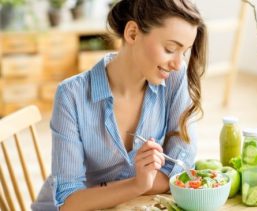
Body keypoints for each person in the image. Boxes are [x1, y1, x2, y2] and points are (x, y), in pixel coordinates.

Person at [31, 0, 207, 210]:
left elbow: (180, 169)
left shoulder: (174, 78)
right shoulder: (72, 95)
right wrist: (137, 184)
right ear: (132, 33)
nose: (178, 63)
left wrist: (113, 189)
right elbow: (69, 202)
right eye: (170, 49)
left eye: (184, 52)